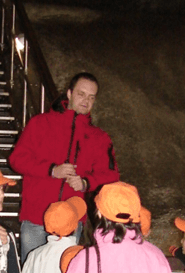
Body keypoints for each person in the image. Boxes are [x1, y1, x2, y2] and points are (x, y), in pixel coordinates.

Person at [9, 72, 120, 262]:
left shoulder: (99, 137)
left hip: (71, 221)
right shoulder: (40, 124)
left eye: (91, 97)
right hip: (36, 217)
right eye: (81, 94)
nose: (86, 100)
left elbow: (111, 174)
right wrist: (51, 170)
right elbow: (17, 159)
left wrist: (86, 183)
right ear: (69, 93)